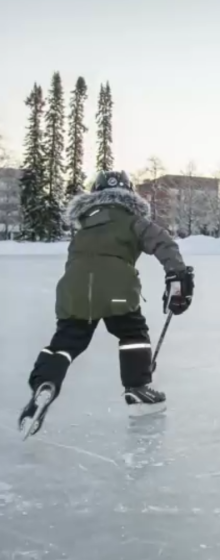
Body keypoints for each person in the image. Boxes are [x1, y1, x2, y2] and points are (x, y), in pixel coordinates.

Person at [19, 170, 195, 438]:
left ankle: (45, 383)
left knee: (65, 342)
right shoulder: (132, 221)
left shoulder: (84, 226)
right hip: (116, 289)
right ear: (129, 194)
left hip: (74, 290)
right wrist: (177, 274)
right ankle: (137, 389)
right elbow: (163, 242)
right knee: (132, 334)